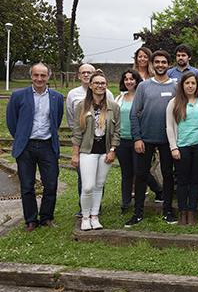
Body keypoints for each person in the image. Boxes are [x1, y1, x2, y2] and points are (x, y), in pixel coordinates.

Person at [6, 63, 64, 232]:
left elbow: (57, 119)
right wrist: (21, 137)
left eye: (43, 75)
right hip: (26, 146)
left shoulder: (57, 97)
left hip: (47, 145)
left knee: (51, 184)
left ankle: (46, 217)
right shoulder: (18, 96)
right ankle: (31, 220)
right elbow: (11, 121)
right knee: (27, 185)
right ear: (31, 76)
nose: (39, 79)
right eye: (36, 75)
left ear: (48, 77)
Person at [125, 50, 178, 227]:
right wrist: (137, 138)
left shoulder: (175, 87)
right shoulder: (143, 86)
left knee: (168, 175)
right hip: (145, 138)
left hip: (168, 139)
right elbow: (134, 113)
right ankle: (138, 213)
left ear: (169, 65)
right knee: (141, 175)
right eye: (157, 62)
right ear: (152, 64)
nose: (160, 65)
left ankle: (167, 211)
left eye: (163, 62)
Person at [71, 71, 120, 231]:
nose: (100, 86)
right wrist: (75, 154)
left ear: (107, 86)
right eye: (97, 83)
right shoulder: (82, 106)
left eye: (103, 83)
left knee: (99, 185)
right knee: (87, 187)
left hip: (105, 151)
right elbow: (77, 131)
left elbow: (117, 131)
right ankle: (85, 217)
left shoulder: (113, 106)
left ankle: (94, 216)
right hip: (87, 151)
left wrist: (113, 149)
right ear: (90, 86)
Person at [115, 69, 163, 216]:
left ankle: (158, 191)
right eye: (126, 79)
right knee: (126, 174)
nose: (129, 82)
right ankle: (125, 205)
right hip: (122, 140)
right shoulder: (119, 98)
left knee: (140, 171)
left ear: (137, 81)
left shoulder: (143, 97)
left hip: (139, 140)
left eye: (132, 79)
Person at [166, 72, 198, 226]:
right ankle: (182, 213)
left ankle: (192, 213)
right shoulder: (174, 102)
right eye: (187, 83)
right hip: (182, 147)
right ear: (182, 85)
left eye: (193, 83)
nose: (190, 86)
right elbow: (169, 126)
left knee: (196, 180)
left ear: (197, 85)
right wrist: (173, 147)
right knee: (183, 181)